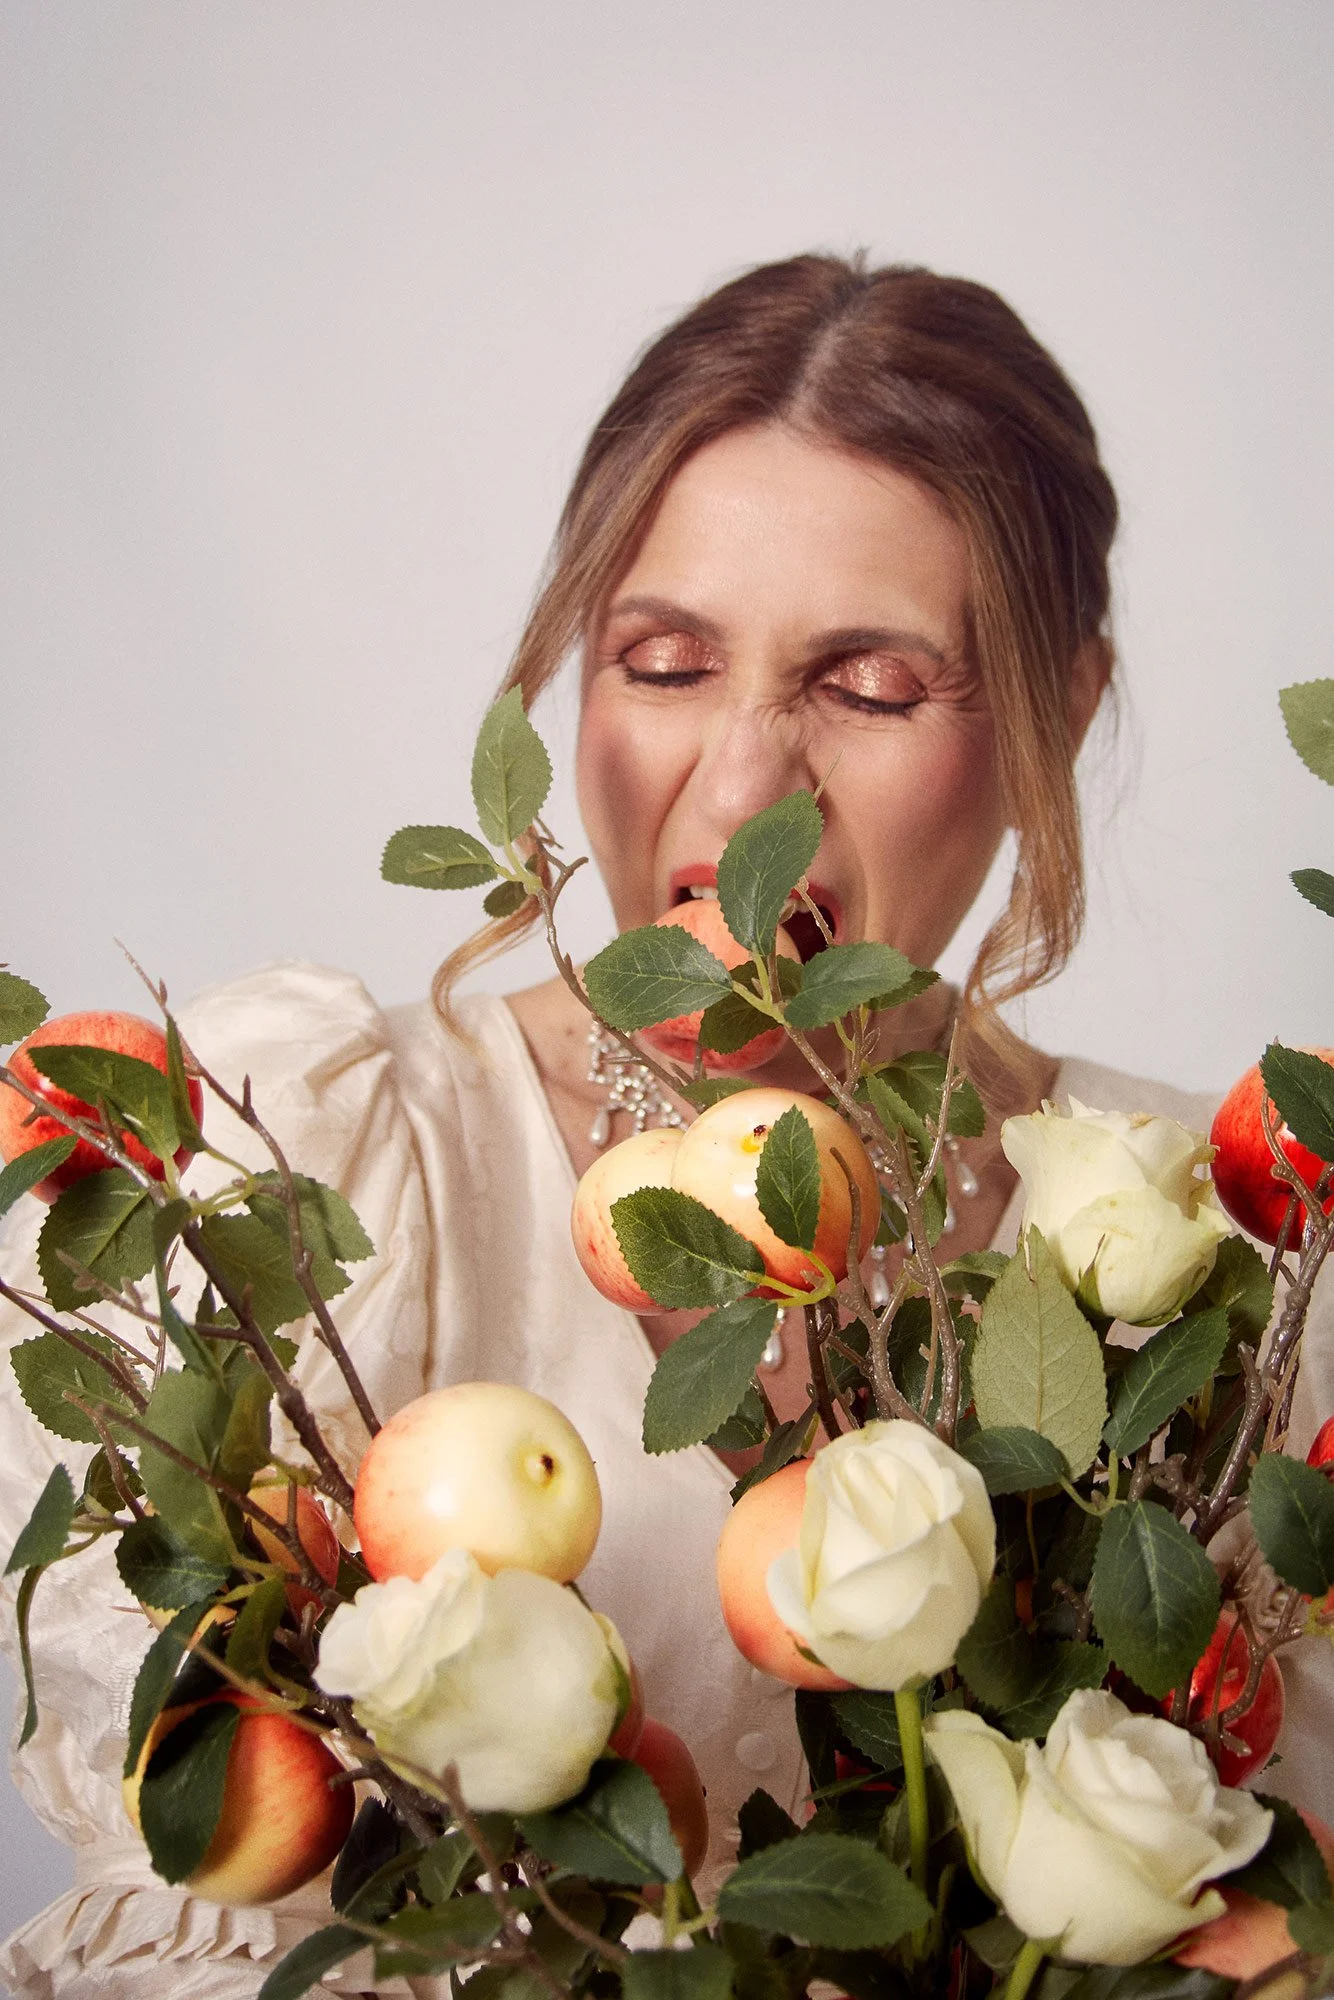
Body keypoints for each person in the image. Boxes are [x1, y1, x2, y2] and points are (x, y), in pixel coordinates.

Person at [0, 254, 1328, 1998]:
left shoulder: (1226, 1234)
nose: (736, 787)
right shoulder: (314, 1185)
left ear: (1053, 718)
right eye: (665, 662)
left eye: (864, 686)